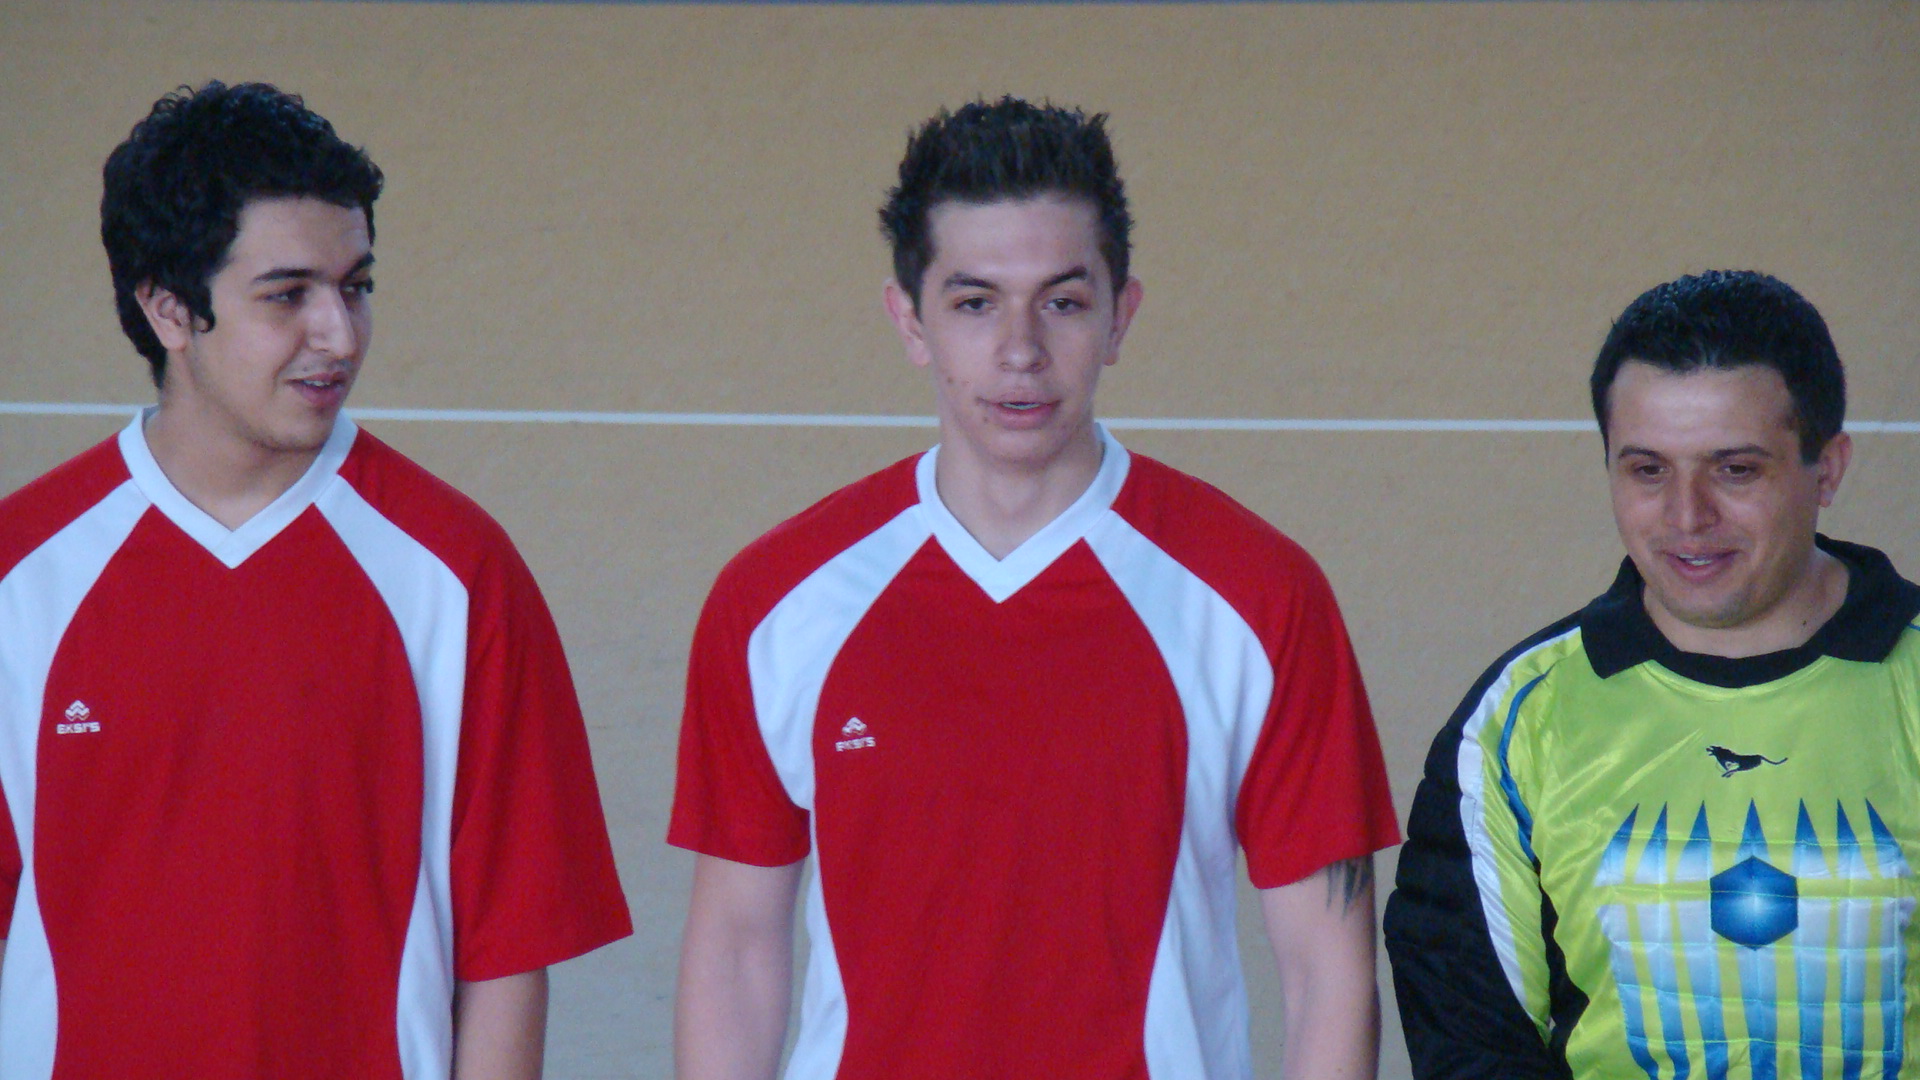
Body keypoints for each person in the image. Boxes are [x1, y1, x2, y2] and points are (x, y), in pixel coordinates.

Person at [668, 97, 1399, 1080]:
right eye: (975, 303)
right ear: (910, 321)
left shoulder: (1261, 598)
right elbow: (736, 951)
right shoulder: (774, 603)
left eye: (1062, 302)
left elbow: (1328, 974)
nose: (1020, 350)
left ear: (1120, 316)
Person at [0, 81, 632, 1079]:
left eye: (356, 286)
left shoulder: (458, 573)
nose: (339, 333)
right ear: (169, 308)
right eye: (289, 295)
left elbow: (511, 952)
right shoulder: (21, 575)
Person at [1384, 269, 1920, 1077]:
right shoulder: (1517, 722)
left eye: (1735, 470)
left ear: (1828, 468)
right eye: (1647, 470)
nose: (1687, 516)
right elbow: (1469, 1040)